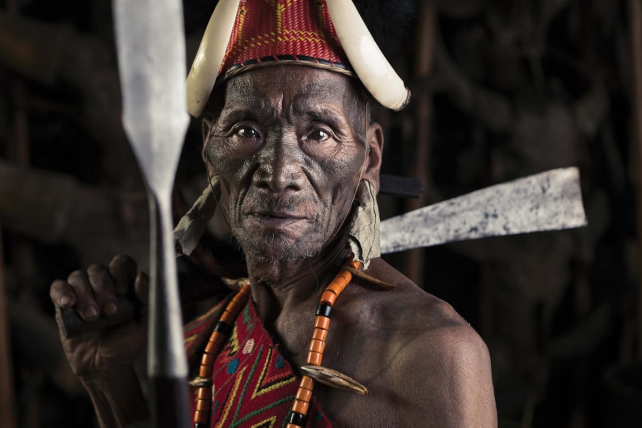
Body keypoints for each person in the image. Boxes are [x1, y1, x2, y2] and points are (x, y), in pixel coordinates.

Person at [50, 0, 497, 426]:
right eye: (246, 131)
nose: (280, 173)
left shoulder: (431, 356)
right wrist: (108, 380)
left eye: (319, 134)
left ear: (370, 159)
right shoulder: (201, 348)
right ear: (209, 150)